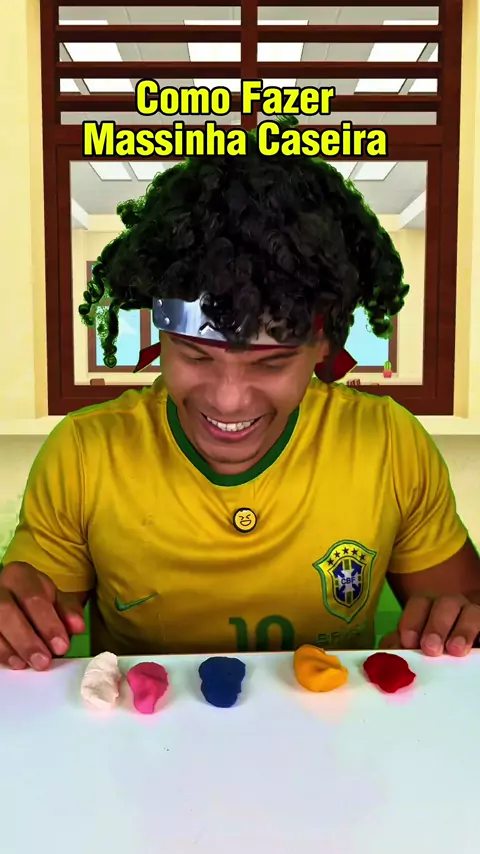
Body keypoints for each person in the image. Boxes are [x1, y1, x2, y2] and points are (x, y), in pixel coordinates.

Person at [1, 119, 480, 672]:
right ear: (159, 337)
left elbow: (461, 611)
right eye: (195, 355)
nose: (228, 401)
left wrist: (456, 625)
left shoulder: (389, 447)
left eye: (271, 362)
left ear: (323, 346)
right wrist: (18, 623)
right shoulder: (84, 456)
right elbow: (30, 630)